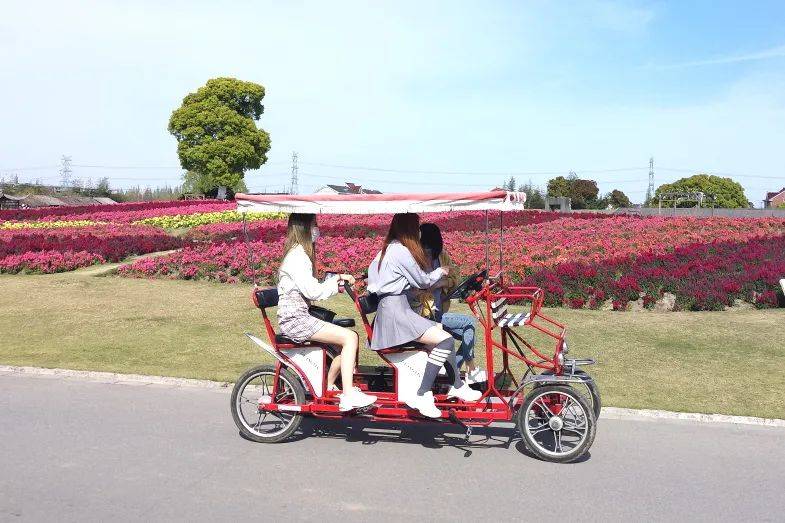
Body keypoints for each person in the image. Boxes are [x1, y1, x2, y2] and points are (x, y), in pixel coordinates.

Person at [367, 213, 481, 418]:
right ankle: (422, 393)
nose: (419, 232)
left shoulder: (387, 249)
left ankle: (457, 385)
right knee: (445, 340)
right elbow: (423, 281)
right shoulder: (400, 251)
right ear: (409, 228)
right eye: (417, 226)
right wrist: (441, 272)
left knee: (441, 334)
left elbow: (374, 282)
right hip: (396, 312)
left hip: (394, 309)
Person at [277, 213, 377, 412]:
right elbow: (313, 291)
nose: (317, 229)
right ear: (305, 228)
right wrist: (336, 282)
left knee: (349, 337)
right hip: (296, 320)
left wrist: (337, 281)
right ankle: (348, 395)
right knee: (349, 338)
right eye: (314, 224)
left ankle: (331, 385)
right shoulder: (298, 256)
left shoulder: (299, 254)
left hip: (300, 317)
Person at [415, 223, 487, 384]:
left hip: (439, 312)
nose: (428, 251)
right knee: (469, 323)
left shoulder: (442, 256)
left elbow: (455, 279)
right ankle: (470, 369)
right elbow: (420, 285)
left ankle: (453, 372)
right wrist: (433, 282)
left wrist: (442, 283)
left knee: (469, 333)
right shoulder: (417, 260)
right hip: (425, 314)